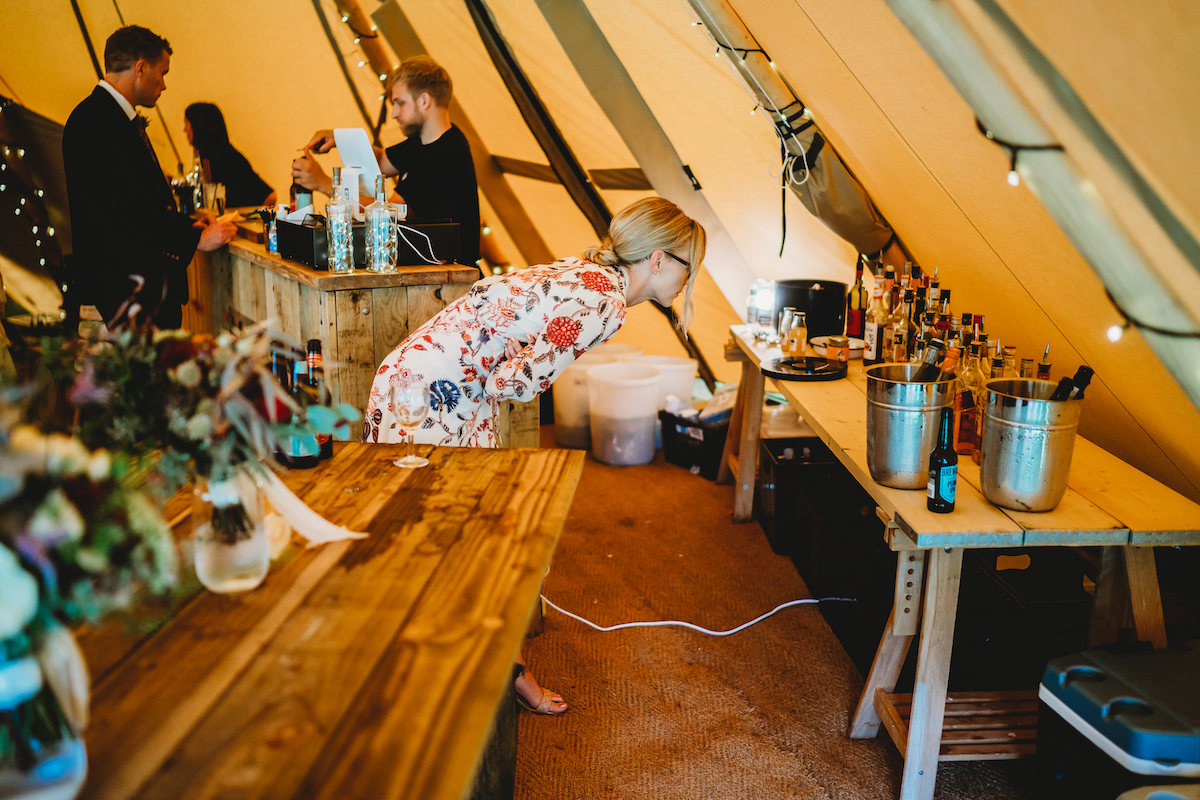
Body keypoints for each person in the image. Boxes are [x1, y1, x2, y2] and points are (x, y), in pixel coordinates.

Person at [361, 197, 705, 714]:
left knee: (457, 534)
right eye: (688, 266)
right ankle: (446, 676)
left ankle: (483, 666)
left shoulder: (591, 272)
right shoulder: (606, 305)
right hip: (433, 394)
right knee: (459, 537)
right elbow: (514, 381)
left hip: (419, 377)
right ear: (657, 260)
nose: (689, 279)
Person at [63, 25, 236, 329]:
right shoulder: (93, 122)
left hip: (138, 297)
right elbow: (119, 210)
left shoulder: (113, 118)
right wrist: (193, 238)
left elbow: (140, 200)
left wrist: (189, 223)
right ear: (141, 68)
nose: (165, 84)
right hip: (122, 301)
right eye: (163, 72)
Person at [292, 56, 480, 267]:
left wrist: (323, 183)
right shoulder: (421, 142)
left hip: (450, 278)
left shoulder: (446, 154)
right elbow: (380, 161)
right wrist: (339, 138)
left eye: (400, 103)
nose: (394, 114)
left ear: (424, 101)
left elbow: (388, 211)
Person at [184, 102, 276, 209]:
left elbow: (270, 196)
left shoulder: (231, 159)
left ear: (198, 126)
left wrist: (252, 218)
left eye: (186, 123)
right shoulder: (205, 159)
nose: (184, 129)